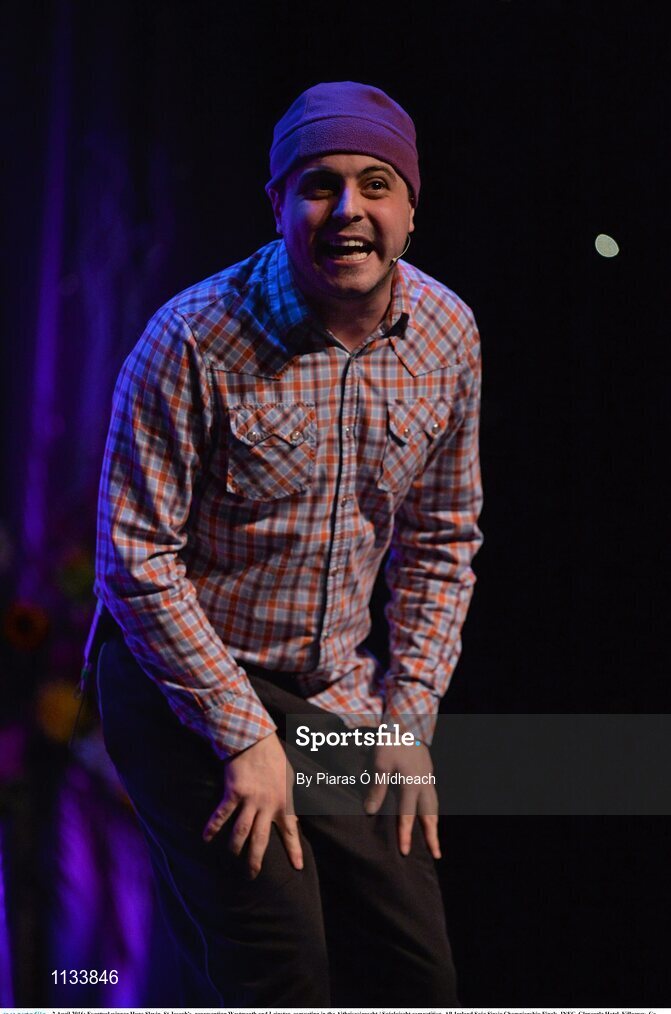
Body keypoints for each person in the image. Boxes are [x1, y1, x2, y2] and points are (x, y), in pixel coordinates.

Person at [94, 80, 483, 1006]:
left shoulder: (447, 335)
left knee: (413, 967)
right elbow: (133, 559)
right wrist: (241, 735)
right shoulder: (191, 339)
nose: (347, 209)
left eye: (376, 183)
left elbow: (440, 537)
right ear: (277, 204)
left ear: (410, 208)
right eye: (319, 184)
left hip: (325, 695)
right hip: (178, 678)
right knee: (280, 965)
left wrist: (405, 716)